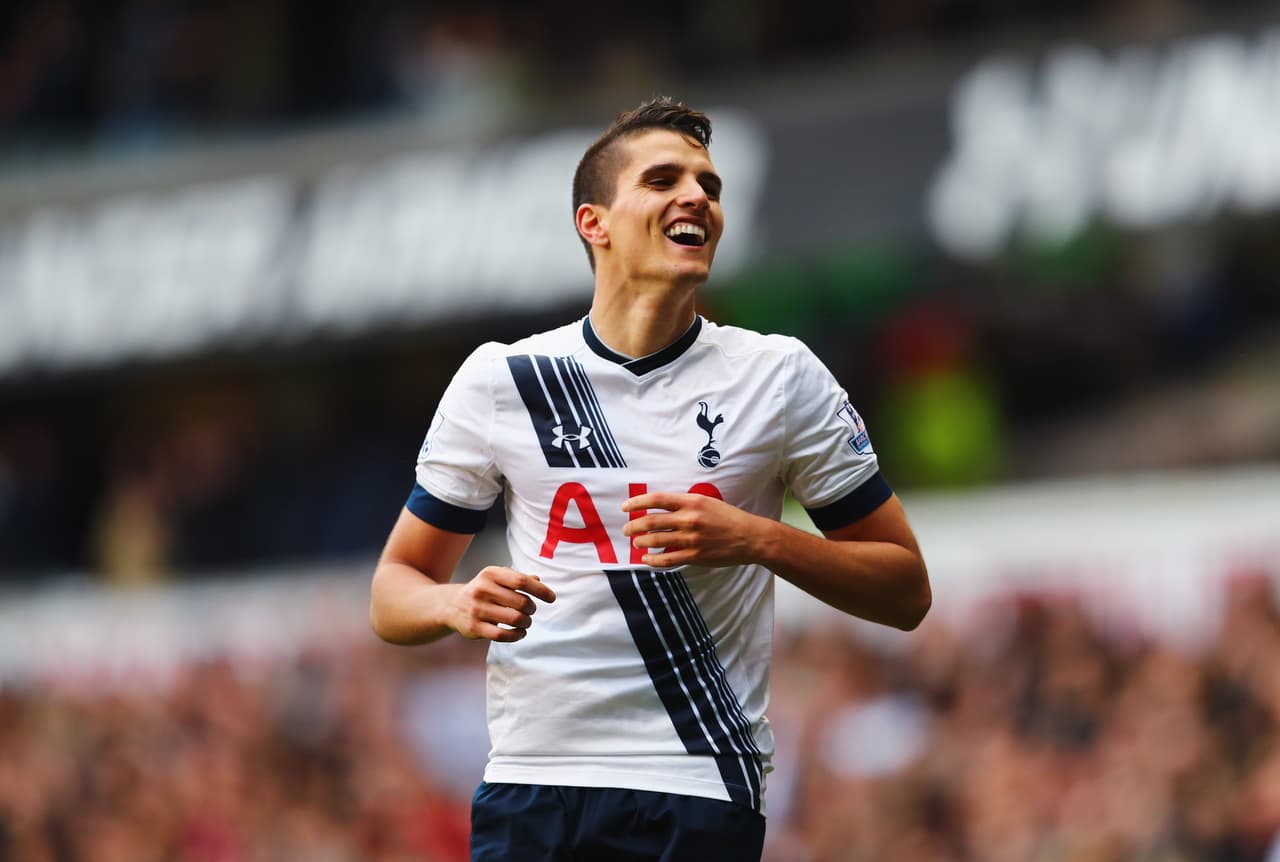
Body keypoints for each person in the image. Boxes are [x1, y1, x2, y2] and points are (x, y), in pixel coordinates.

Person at [370, 97, 931, 862]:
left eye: (709, 185)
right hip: (534, 782)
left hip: (698, 781)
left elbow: (905, 589)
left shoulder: (779, 377)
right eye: (663, 180)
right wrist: (453, 602)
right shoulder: (504, 381)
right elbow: (393, 591)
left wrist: (759, 539)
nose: (697, 196)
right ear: (594, 223)